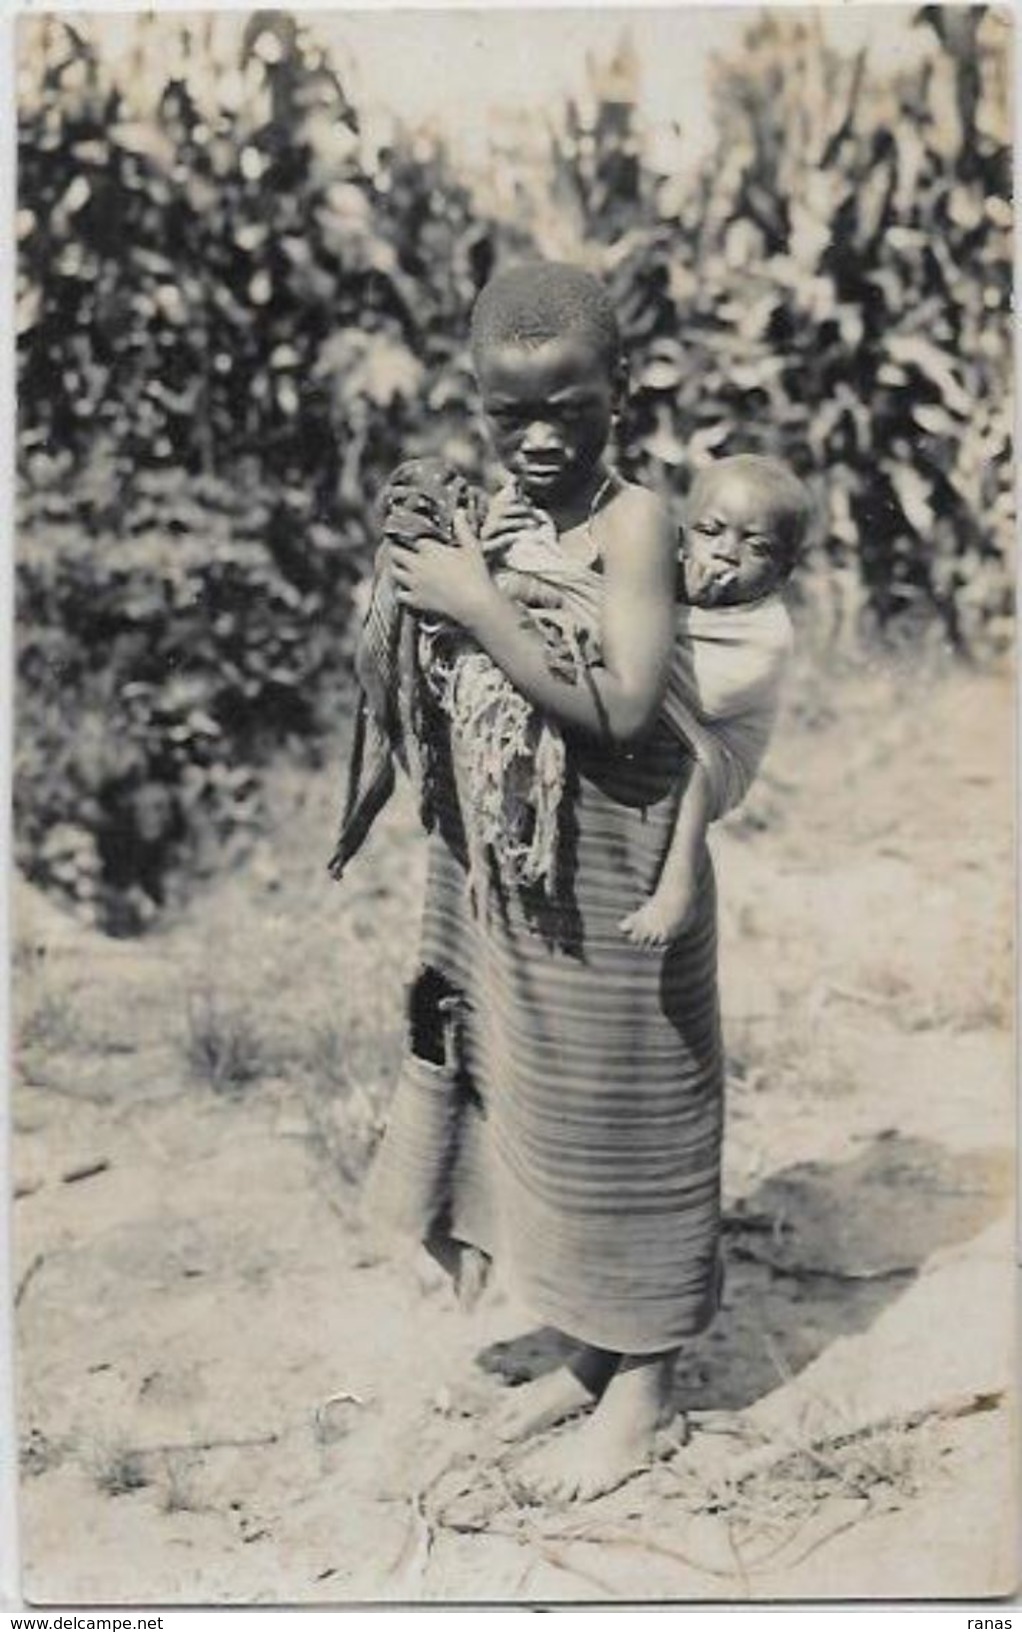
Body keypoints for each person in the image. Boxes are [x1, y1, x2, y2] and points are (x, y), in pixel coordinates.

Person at [346, 261, 723, 1503]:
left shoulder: (633, 523)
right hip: (526, 864)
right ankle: (587, 1347)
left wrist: (472, 601)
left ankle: (647, 1390)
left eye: (572, 407)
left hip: (624, 868)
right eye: (514, 415)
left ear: (621, 392)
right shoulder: (499, 518)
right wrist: (434, 594)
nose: (543, 435)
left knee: (634, 1111)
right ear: (480, 405)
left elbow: (620, 708)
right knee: (546, 1111)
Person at [621, 454, 809, 948]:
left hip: (720, 753)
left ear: (784, 573)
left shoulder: (768, 634)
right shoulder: (663, 574)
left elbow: (694, 690)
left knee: (698, 769)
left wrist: (655, 608)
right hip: (662, 716)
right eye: (711, 530)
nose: (727, 553)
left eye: (757, 546)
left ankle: (677, 885)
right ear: (682, 535)